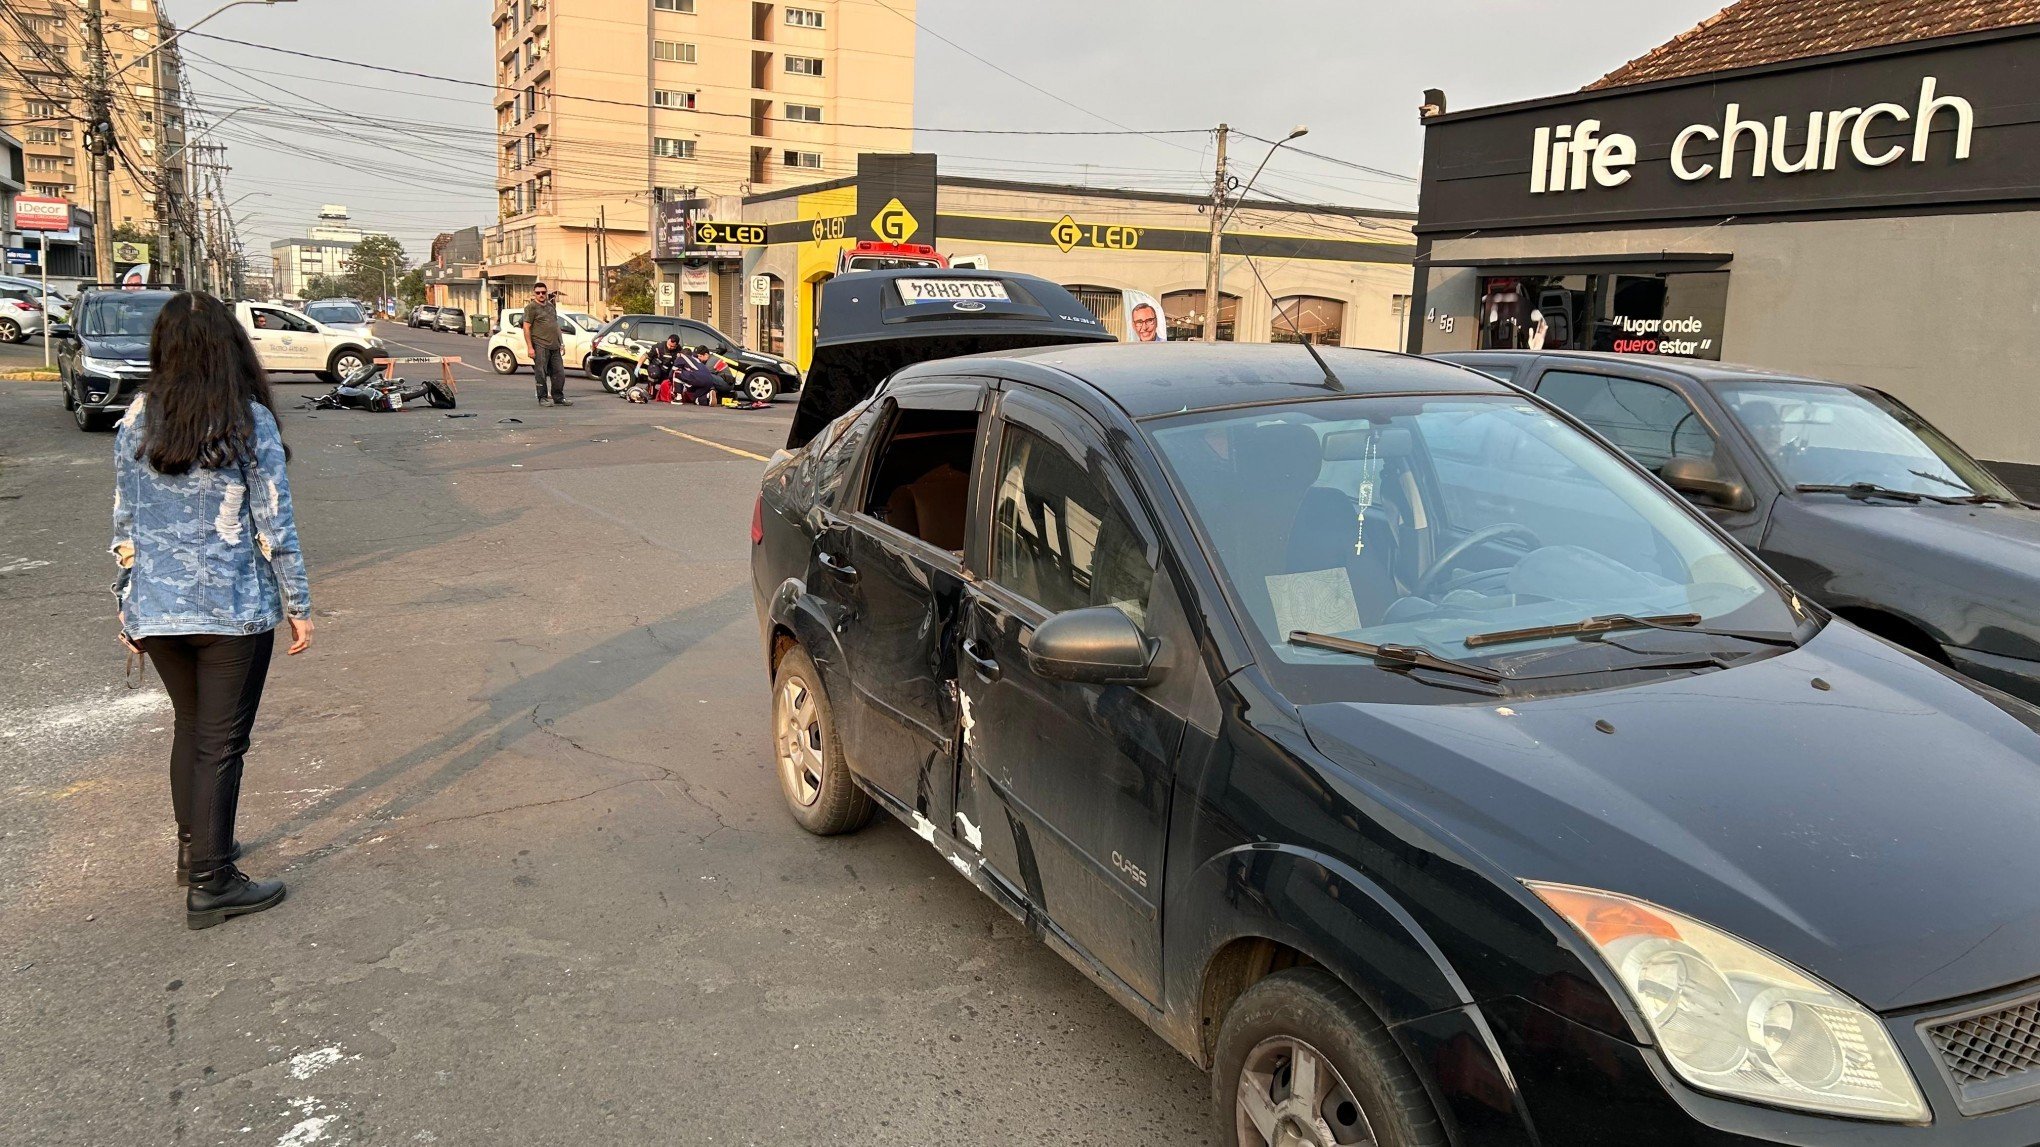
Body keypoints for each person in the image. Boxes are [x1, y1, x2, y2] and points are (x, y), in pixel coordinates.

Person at [111, 291, 313, 930]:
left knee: (192, 729)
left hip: (159, 610)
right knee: (222, 743)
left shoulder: (139, 417)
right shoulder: (247, 419)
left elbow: (125, 523)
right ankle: (213, 883)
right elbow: (273, 521)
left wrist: (127, 608)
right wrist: (298, 603)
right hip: (231, 610)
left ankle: (195, 852)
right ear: (231, 347)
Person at [519, 282, 571, 408]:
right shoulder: (531, 308)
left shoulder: (550, 306)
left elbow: (556, 325)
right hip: (540, 345)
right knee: (541, 373)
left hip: (555, 346)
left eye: (543, 292)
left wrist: (561, 342)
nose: (541, 295)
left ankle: (558, 397)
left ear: (546, 292)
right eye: (538, 293)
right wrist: (530, 347)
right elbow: (526, 328)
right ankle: (542, 397)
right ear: (534, 294)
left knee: (559, 373)